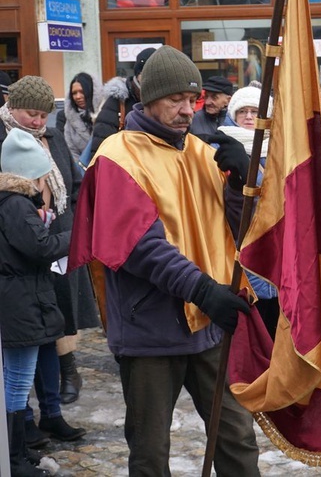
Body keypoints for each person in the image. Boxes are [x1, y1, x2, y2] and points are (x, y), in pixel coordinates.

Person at [68, 45, 260, 475]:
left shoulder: (201, 150)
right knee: (151, 453)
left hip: (208, 326)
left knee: (237, 440)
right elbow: (139, 247)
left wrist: (242, 184)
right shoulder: (117, 156)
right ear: (148, 98)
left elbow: (238, 228)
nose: (186, 109)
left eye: (191, 100)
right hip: (149, 329)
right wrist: (203, 290)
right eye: (175, 99)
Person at [0, 75, 90, 446]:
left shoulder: (53, 140)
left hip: (55, 249)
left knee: (53, 333)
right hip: (21, 253)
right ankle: (21, 425)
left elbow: (75, 183)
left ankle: (52, 414)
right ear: (12, 108)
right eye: (30, 113)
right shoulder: (4, 140)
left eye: (42, 114)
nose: (37, 121)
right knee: (24, 343)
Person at [0, 128, 68, 477]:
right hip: (19, 303)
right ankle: (12, 459)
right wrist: (77, 236)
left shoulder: (13, 203)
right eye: (42, 175)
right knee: (17, 381)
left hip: (20, 299)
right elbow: (40, 247)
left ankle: (16, 455)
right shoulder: (15, 204)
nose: (45, 182)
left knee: (15, 378)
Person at [215, 86, 280, 338]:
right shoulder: (218, 148)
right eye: (244, 111)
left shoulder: (277, 149)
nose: (250, 117)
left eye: (256, 111)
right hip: (237, 251)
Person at [90, 47, 156, 154]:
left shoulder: (164, 101)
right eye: (147, 73)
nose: (152, 79)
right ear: (138, 74)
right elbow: (100, 146)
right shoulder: (118, 101)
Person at [56, 72, 104, 161]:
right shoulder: (65, 117)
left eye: (82, 92)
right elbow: (67, 150)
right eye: (74, 93)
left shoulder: (105, 115)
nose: (78, 97)